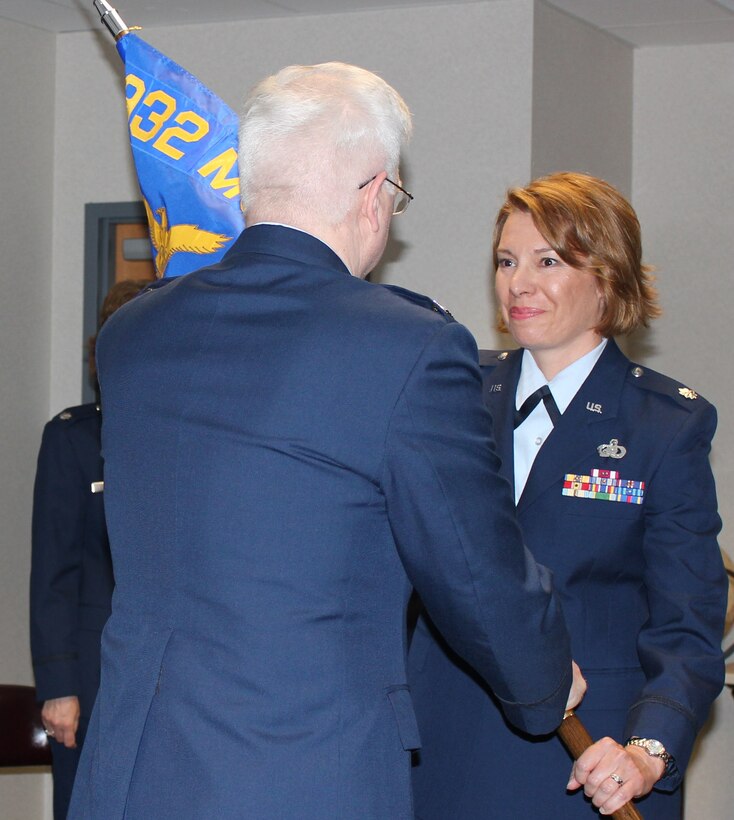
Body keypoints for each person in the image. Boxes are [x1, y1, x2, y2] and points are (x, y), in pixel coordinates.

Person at [68, 64, 584, 819]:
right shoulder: (407, 347)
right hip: (300, 771)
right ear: (376, 195)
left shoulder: (133, 334)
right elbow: (472, 567)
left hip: (130, 769)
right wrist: (542, 682)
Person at [408, 171, 727, 819]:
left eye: (547, 261)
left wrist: (646, 752)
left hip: (585, 762)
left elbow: (686, 628)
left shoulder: (664, 424)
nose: (517, 282)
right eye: (506, 261)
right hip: (441, 750)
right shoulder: (443, 396)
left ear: (607, 277)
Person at [30, 278, 149, 819]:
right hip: (92, 678)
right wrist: (58, 686)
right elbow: (53, 572)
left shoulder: (188, 444)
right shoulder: (74, 439)